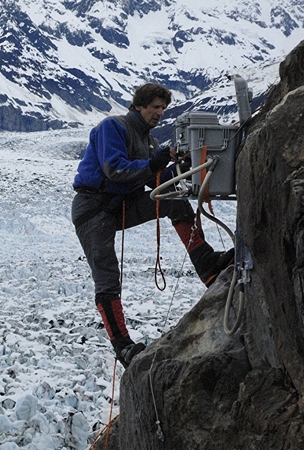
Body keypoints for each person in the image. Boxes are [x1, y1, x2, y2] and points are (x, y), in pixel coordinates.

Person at [71, 83, 234, 368]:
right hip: (93, 208)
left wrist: (181, 167)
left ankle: (208, 266)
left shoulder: (149, 143)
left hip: (119, 205)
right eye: (154, 107)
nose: (159, 113)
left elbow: (156, 182)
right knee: (107, 274)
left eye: (163, 108)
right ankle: (122, 345)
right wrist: (154, 164)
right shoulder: (114, 127)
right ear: (139, 106)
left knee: (173, 198)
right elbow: (115, 168)